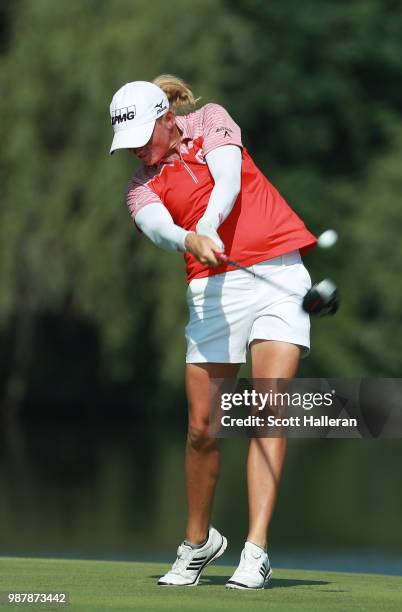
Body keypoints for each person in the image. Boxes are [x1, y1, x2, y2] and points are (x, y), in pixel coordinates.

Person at [109, 75, 317, 589]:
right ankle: (199, 544)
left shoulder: (210, 121)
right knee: (202, 428)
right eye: (128, 143)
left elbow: (227, 181)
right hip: (212, 292)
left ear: (164, 117)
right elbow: (158, 227)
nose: (137, 150)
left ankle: (257, 549)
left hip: (278, 275)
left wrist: (206, 225)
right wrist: (188, 239)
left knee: (270, 409)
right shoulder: (141, 186)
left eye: (142, 136)